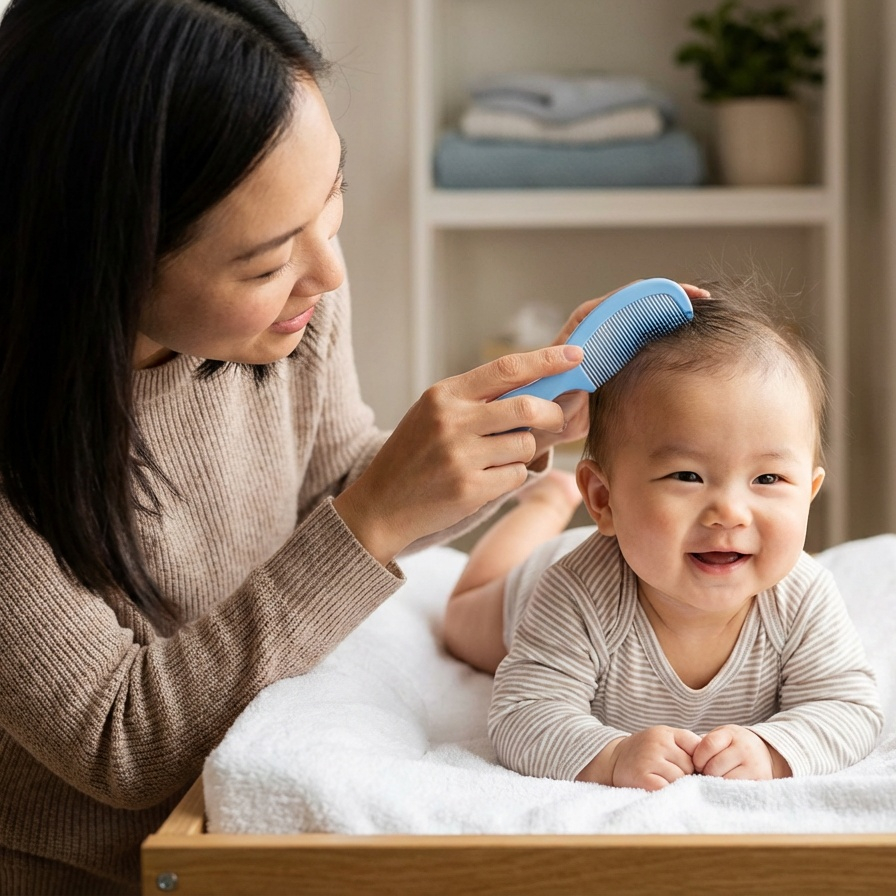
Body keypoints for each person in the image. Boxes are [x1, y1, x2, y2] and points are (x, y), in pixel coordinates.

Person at [0, 2, 718, 892]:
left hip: (248, 826)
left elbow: (331, 484)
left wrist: (524, 420)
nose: (328, 274)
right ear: (103, 257)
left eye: (330, 199)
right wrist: (371, 519)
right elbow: (121, 740)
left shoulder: (289, 315)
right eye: (264, 264)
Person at [446, 283, 883, 790]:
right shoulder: (573, 594)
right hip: (536, 581)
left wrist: (773, 751)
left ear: (808, 492)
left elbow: (848, 708)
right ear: (605, 500)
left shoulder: (802, 597)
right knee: (460, 624)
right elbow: (523, 714)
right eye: (687, 477)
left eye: (768, 479)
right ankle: (546, 504)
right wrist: (611, 756)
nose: (729, 513)